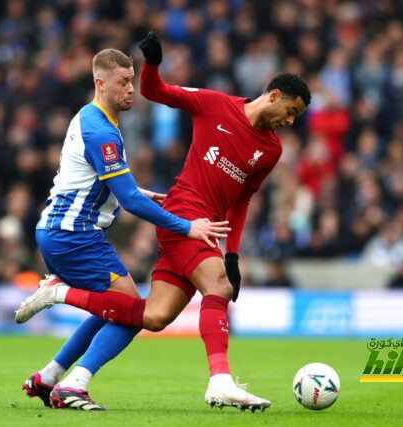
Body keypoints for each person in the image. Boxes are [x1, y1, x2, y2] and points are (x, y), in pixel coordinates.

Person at [16, 32, 310, 411]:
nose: (290, 120)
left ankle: (62, 377)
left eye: (296, 117)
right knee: (216, 288)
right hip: (184, 215)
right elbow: (157, 91)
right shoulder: (214, 104)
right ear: (273, 96)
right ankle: (220, 380)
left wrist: (232, 255)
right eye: (292, 111)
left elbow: (243, 200)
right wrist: (152, 63)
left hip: (202, 226)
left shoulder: (271, 150)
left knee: (148, 315)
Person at [17, 48, 230, 411]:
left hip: (60, 231)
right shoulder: (102, 131)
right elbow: (129, 201)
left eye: (131, 80)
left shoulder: (91, 116)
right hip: (75, 236)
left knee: (113, 309)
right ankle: (72, 376)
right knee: (132, 310)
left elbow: (94, 181)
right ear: (100, 83)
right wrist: (187, 227)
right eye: (122, 82)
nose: (131, 89)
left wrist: (129, 191)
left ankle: (48, 377)